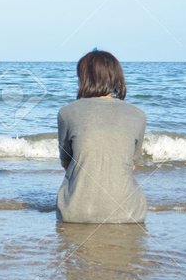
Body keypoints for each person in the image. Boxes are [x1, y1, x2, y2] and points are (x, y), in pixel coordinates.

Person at [56, 50, 147, 223]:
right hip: (128, 214)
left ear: (83, 78)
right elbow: (132, 165)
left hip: (75, 214)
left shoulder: (67, 113)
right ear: (116, 77)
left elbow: (65, 162)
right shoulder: (138, 115)